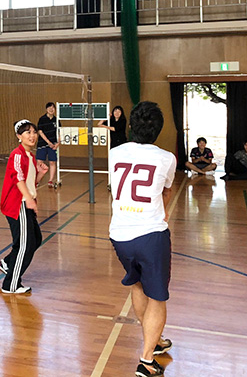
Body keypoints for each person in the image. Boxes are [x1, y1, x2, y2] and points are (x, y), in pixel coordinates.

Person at [108, 101, 176, 377]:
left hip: (119, 234)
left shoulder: (114, 153)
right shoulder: (166, 158)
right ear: (158, 129)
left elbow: (115, 188)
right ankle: (147, 360)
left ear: (131, 125)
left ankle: (154, 339)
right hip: (150, 235)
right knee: (157, 297)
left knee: (137, 284)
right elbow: (166, 192)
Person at [0, 120, 49, 294]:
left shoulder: (30, 157)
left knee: (36, 239)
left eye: (34, 132)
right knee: (24, 245)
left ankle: (7, 262)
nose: (32, 136)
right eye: (27, 132)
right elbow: (18, 179)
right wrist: (28, 199)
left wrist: (41, 174)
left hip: (26, 202)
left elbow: (30, 183)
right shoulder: (17, 154)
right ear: (19, 136)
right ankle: (10, 285)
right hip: (17, 204)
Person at [36, 102, 60, 188]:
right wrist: (48, 142)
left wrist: (58, 143)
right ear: (46, 109)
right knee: (39, 162)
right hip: (42, 144)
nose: (51, 109)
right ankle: (37, 181)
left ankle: (50, 180)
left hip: (53, 145)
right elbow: (40, 132)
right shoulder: (42, 119)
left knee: (52, 162)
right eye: (49, 108)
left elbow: (59, 132)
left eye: (53, 108)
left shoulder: (57, 120)